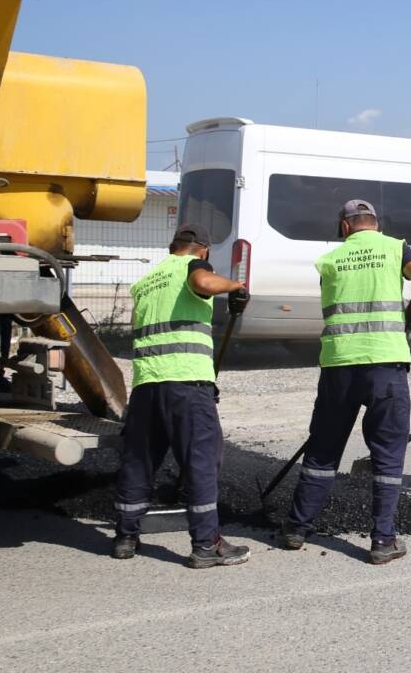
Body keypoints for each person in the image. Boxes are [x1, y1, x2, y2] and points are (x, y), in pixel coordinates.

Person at [281, 199, 411, 564]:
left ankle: (296, 528)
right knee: (387, 455)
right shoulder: (395, 248)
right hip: (385, 364)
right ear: (374, 224)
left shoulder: (330, 260)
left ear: (345, 227)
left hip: (338, 365)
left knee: (323, 449)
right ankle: (383, 540)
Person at [112, 223, 252, 568]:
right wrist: (235, 285)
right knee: (202, 461)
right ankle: (206, 544)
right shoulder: (193, 267)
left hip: (147, 386)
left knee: (139, 462)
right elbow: (203, 283)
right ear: (202, 250)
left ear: (171, 246)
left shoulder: (146, 282)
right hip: (187, 385)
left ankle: (125, 537)